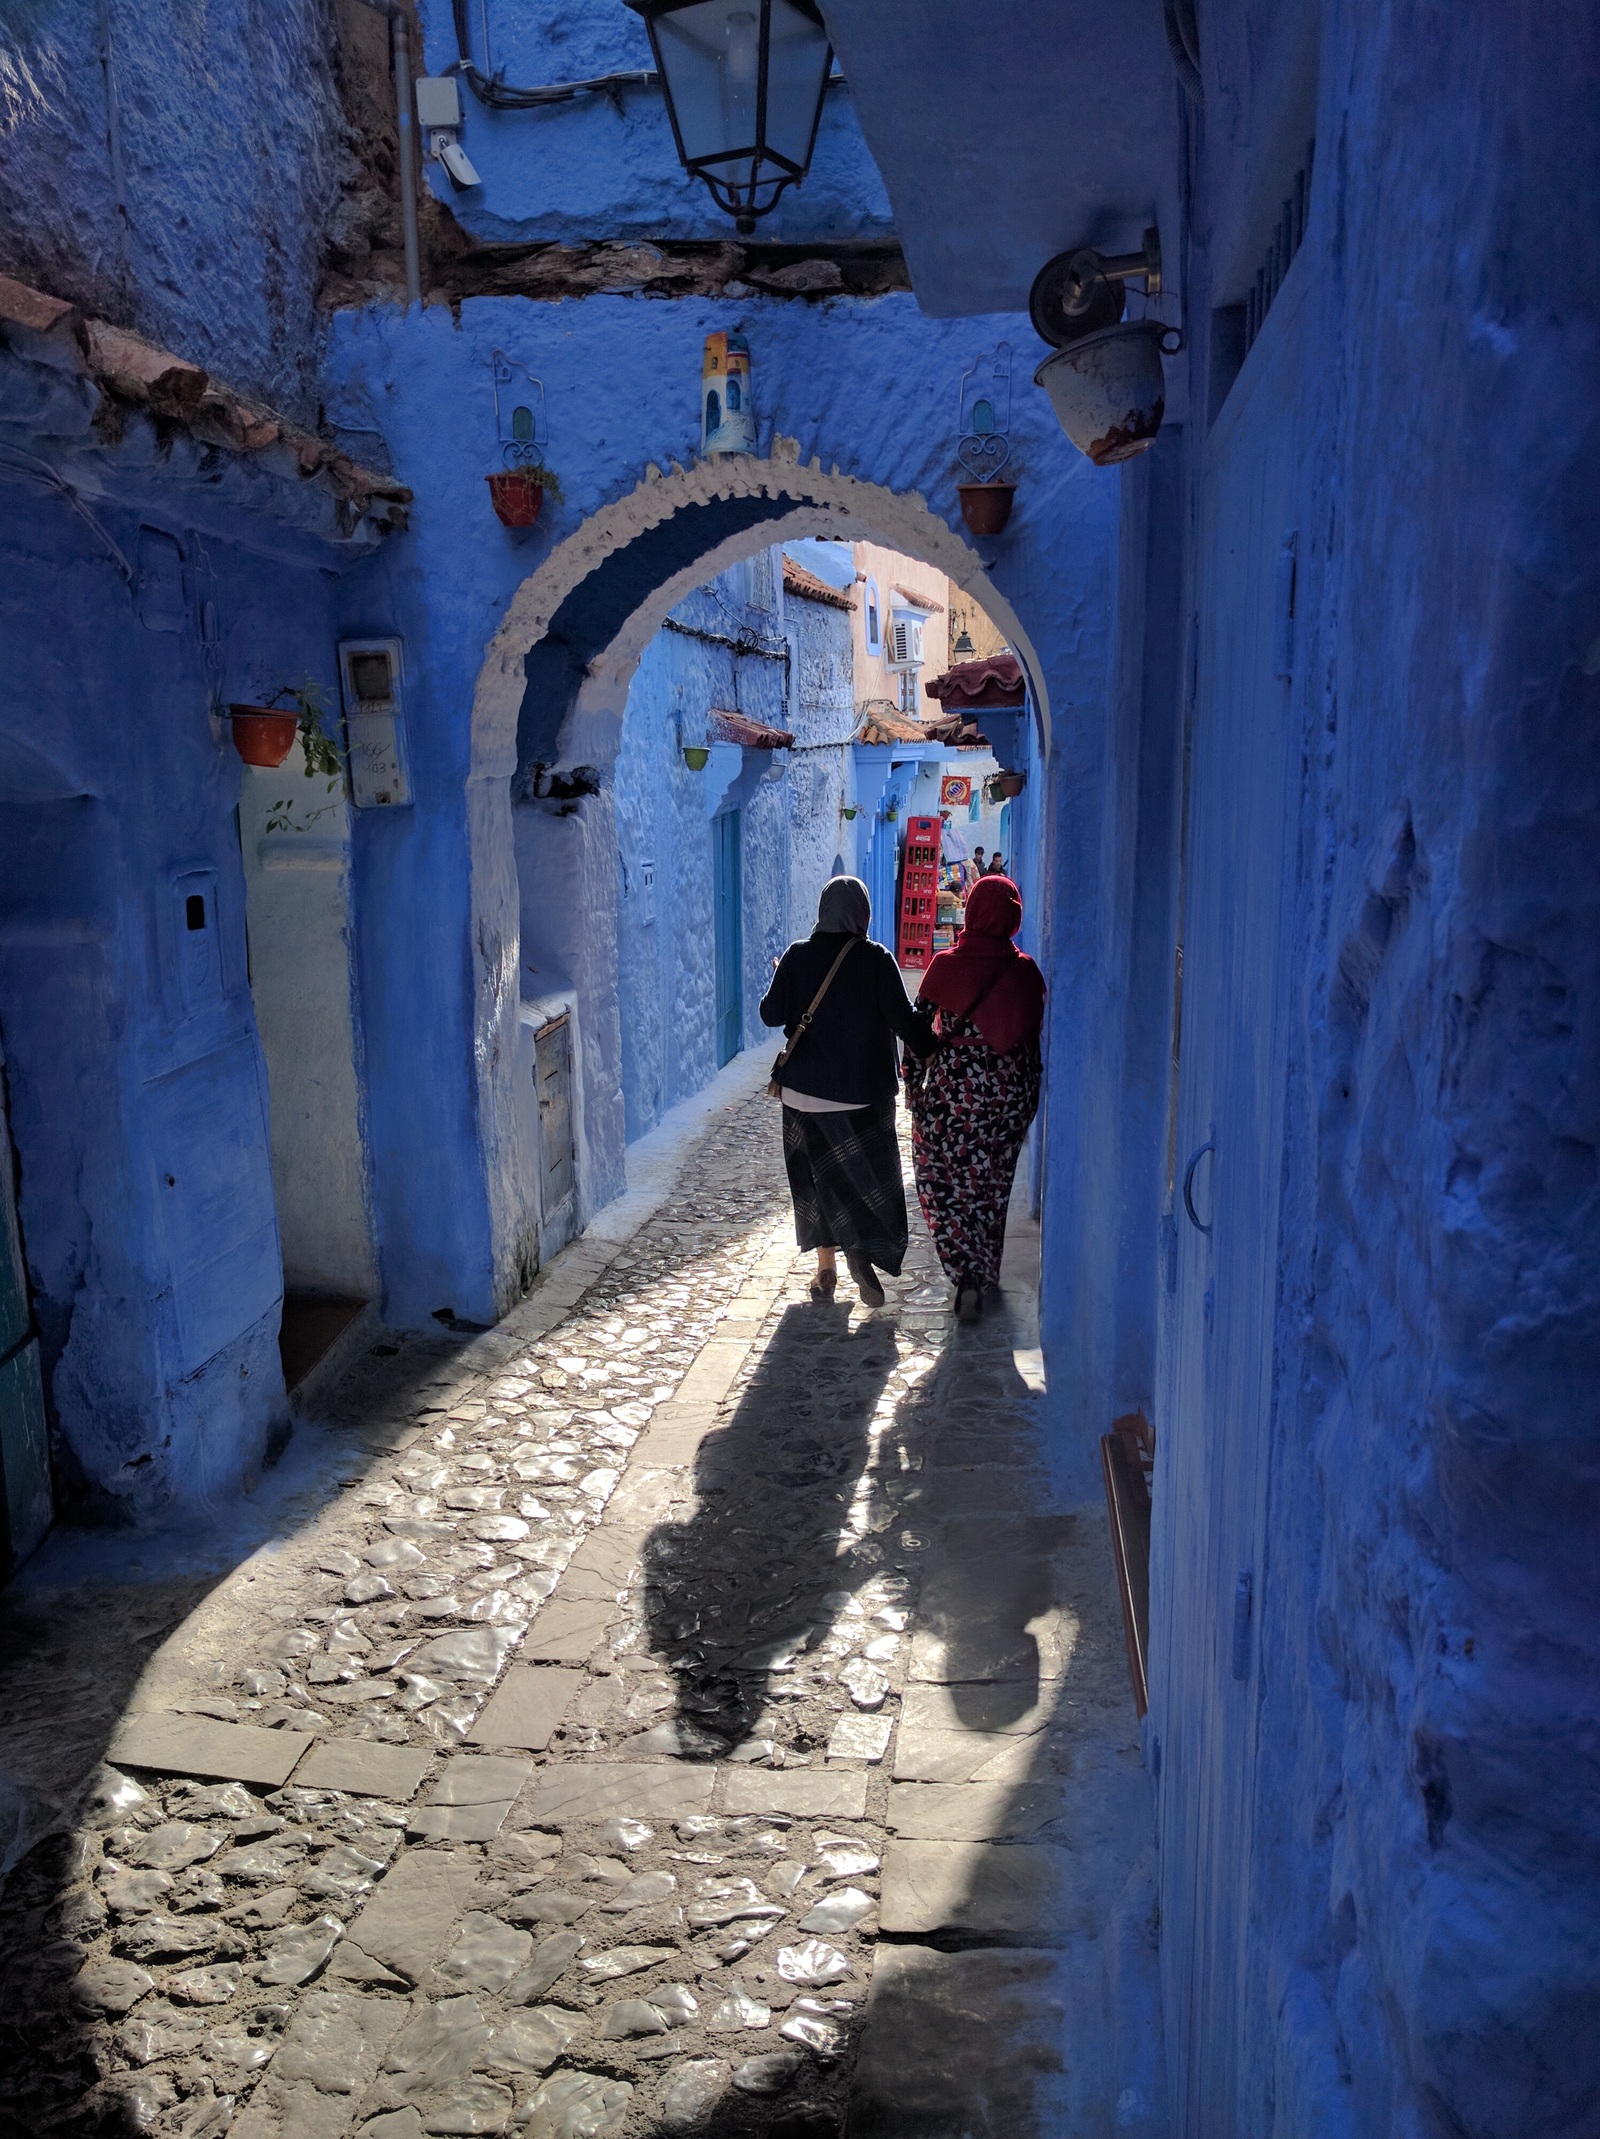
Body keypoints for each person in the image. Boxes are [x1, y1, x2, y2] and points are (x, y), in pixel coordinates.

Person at [761, 876, 932, 1307]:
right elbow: (905, 1022)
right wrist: (935, 1046)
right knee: (868, 1178)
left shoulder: (798, 957)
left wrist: (784, 975)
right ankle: (861, 1249)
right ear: (862, 912)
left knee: (816, 1181)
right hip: (863, 1098)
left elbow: (770, 1014)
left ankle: (826, 1268)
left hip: (803, 1097)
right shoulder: (876, 959)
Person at [906, 873, 1046, 1320]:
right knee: (992, 1186)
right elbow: (1032, 1043)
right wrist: (1027, 1101)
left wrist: (913, 1087)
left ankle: (964, 1271)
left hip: (953, 1092)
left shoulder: (946, 965)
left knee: (943, 1178)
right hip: (1007, 1093)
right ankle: (984, 1272)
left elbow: (915, 1031)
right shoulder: (1025, 972)